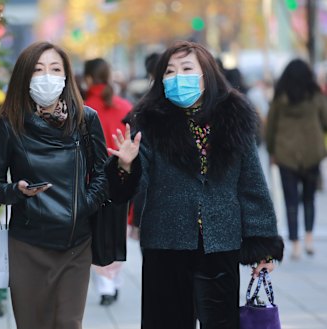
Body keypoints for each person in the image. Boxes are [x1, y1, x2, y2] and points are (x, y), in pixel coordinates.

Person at [104, 41, 284, 329]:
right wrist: (126, 166)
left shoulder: (233, 119)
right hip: (166, 244)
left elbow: (252, 185)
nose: (178, 77)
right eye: (169, 72)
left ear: (206, 74)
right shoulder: (149, 123)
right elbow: (130, 188)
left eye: (186, 69)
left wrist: (262, 245)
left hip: (220, 243)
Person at [0, 41, 108, 329]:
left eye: (55, 69)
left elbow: (102, 175)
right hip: (28, 244)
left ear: (66, 76)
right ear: (24, 77)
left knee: (68, 323)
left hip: (75, 243)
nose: (47, 77)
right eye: (38, 70)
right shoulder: (9, 123)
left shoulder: (85, 119)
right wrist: (17, 191)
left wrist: (83, 205)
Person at [83, 57, 133, 306]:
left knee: (96, 233)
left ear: (89, 78)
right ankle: (113, 282)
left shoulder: (82, 107)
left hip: (91, 182)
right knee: (117, 231)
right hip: (120, 179)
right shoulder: (124, 106)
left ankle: (104, 286)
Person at [265, 58, 327, 260]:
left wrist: (272, 152)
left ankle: (296, 244)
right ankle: (309, 238)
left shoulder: (279, 98)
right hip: (312, 153)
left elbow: (271, 128)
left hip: (285, 154)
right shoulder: (316, 96)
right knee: (309, 198)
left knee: (290, 200)